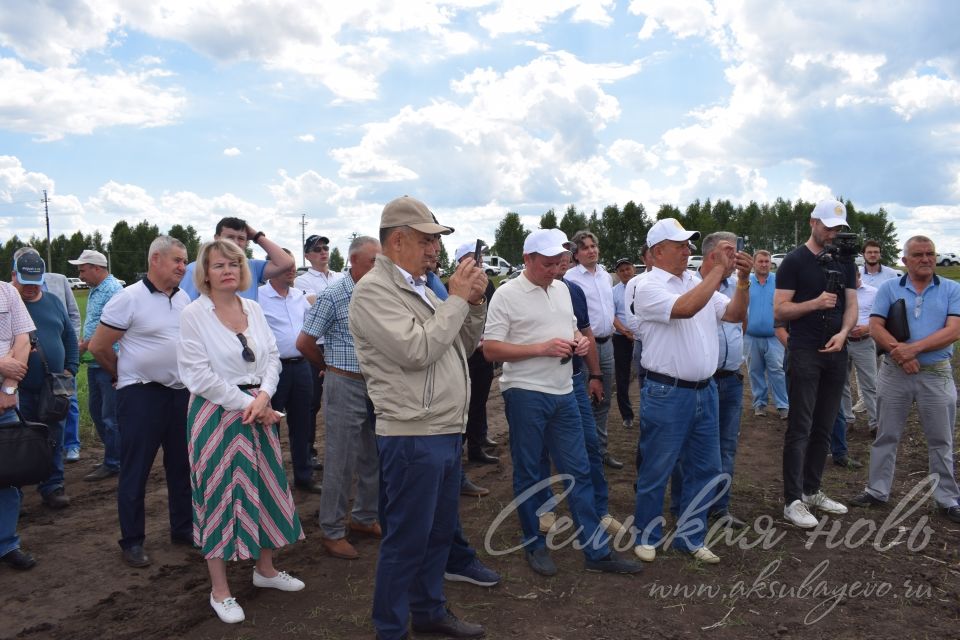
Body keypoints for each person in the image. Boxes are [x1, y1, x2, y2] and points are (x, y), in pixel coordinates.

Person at [349, 195, 487, 640]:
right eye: (427, 240)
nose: (435, 250)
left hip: (443, 429)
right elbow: (418, 351)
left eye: (436, 241)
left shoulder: (421, 287)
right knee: (406, 541)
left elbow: (460, 347)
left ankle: (428, 611)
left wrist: (474, 303)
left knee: (437, 534)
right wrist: (455, 300)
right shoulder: (373, 291)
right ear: (398, 240)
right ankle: (390, 629)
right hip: (412, 433)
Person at [484, 228, 641, 577]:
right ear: (527, 259)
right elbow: (491, 348)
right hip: (525, 392)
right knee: (528, 471)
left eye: (560, 263)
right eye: (548, 264)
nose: (556, 269)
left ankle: (596, 552)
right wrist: (540, 348)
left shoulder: (563, 290)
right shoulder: (507, 294)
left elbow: (572, 329)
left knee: (580, 469)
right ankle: (534, 544)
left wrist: (579, 344)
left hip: (564, 390)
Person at [178, 239, 305, 624]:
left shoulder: (252, 307)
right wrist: (249, 404)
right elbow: (197, 374)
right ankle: (220, 591)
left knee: (266, 486)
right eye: (219, 265)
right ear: (205, 272)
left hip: (258, 411)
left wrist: (264, 396)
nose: (228, 270)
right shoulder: (193, 314)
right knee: (218, 494)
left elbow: (271, 357)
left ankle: (264, 570)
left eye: (233, 263)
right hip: (216, 414)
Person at [632, 220, 750, 565]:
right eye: (680, 245)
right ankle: (647, 533)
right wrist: (719, 271)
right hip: (668, 392)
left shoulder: (694, 280)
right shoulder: (647, 285)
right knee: (658, 466)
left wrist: (741, 281)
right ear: (657, 252)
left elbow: (733, 313)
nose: (688, 250)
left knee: (706, 467)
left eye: (688, 244)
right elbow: (685, 309)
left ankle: (690, 536)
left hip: (705, 390)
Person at [89, 236, 193, 568]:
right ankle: (132, 540)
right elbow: (99, 346)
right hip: (141, 395)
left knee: (181, 466)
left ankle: (183, 529)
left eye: (184, 261)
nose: (182, 267)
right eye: (177, 260)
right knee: (136, 470)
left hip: (179, 395)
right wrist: (121, 375)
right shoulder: (127, 299)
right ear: (155, 260)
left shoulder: (183, 298)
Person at [850, 236, 960, 523]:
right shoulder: (888, 288)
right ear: (905, 260)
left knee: (941, 439)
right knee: (886, 434)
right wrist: (902, 355)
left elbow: (953, 330)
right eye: (919, 255)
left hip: (936, 374)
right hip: (894, 373)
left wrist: (914, 349)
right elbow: (875, 326)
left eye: (930, 254)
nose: (926, 259)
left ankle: (947, 498)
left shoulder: (952, 288)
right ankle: (877, 490)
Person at [296, 236, 382, 560]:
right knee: (340, 460)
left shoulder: (378, 293)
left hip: (375, 385)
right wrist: (327, 367)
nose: (380, 267)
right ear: (354, 261)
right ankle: (332, 531)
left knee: (373, 455)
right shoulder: (333, 296)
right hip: (344, 383)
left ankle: (363, 518)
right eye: (374, 261)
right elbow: (304, 342)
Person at [774, 199, 857, 529]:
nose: (833, 233)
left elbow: (851, 305)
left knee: (824, 425)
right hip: (805, 349)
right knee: (800, 427)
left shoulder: (845, 262)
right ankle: (792, 500)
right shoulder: (794, 261)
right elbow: (779, 311)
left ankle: (812, 490)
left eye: (838, 228)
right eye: (828, 226)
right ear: (813, 223)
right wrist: (814, 304)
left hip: (836, 351)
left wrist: (845, 333)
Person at [684, 231, 748, 528]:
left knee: (726, 446)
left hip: (732, 378)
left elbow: (739, 319)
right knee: (691, 447)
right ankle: (687, 507)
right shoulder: (688, 285)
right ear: (713, 255)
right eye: (730, 251)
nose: (736, 256)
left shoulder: (737, 286)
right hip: (702, 381)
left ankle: (720, 508)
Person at [11, 251, 78, 510]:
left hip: (54, 386)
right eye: (25, 281)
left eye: (35, 282)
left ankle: (53, 486)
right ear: (14, 275)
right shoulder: (8, 305)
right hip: (18, 389)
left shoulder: (52, 301)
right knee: (18, 441)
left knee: (54, 437)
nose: (30, 287)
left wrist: (70, 368)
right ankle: (15, 491)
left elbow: (69, 337)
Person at [259, 249, 321, 494]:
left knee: (302, 423)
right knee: (269, 425)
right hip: (274, 370)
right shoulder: (258, 296)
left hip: (302, 367)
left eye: (294, 264)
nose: (292, 269)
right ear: (271, 269)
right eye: (286, 266)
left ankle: (303, 475)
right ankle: (270, 479)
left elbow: (311, 328)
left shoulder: (299, 297)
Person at [565, 230, 623, 469]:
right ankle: (581, 454)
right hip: (582, 346)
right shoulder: (569, 279)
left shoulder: (606, 277)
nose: (591, 250)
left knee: (604, 400)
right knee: (582, 401)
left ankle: (600, 450)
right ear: (576, 255)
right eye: (585, 247)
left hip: (606, 343)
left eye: (593, 246)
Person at [68, 249, 124, 481]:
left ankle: (115, 461)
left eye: (83, 269)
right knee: (97, 411)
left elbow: (113, 329)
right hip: (94, 360)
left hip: (107, 360)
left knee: (109, 415)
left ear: (97, 268)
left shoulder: (113, 291)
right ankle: (114, 455)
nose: (80, 275)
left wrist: (83, 346)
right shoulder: (96, 290)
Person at [294, 234, 344, 471]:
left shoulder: (340, 276)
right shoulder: (302, 281)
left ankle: (340, 451)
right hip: (317, 343)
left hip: (339, 342)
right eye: (317, 249)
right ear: (307, 255)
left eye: (325, 248)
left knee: (340, 401)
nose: (323, 252)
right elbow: (309, 303)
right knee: (312, 403)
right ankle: (308, 452)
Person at [452, 242, 499, 465]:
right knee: (464, 404)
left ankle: (476, 444)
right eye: (474, 259)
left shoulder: (487, 286)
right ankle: (458, 451)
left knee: (479, 402)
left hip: (482, 354)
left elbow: (494, 316)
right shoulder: (451, 286)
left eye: (480, 260)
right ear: (461, 262)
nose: (479, 264)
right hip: (463, 356)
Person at [0, 279, 35, 570]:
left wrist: (8, 388)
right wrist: (1, 363)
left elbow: (22, 341)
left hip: (5, 404)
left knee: (7, 477)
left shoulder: (8, 292)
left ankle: (7, 544)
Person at [180, 216, 295, 301]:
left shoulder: (251, 266)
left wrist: (257, 236)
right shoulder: (195, 269)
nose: (235, 242)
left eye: (241, 238)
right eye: (230, 237)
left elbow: (287, 262)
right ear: (216, 238)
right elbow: (185, 307)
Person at [745, 250, 789, 419]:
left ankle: (783, 405)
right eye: (761, 261)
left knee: (777, 370)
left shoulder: (779, 282)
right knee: (754, 371)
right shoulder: (745, 282)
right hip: (750, 336)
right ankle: (759, 404)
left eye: (767, 261)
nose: (764, 264)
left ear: (771, 263)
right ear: (754, 263)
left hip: (775, 336)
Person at [839, 269, 879, 441]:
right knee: (842, 383)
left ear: (858, 276)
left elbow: (881, 317)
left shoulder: (873, 292)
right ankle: (847, 419)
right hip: (843, 342)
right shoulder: (839, 293)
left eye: (852, 277)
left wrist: (867, 328)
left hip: (864, 342)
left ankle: (875, 423)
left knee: (870, 384)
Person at [611, 258, 637, 429]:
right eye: (621, 270)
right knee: (622, 377)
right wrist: (625, 331)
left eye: (628, 269)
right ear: (617, 273)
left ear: (633, 269)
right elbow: (611, 315)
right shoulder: (613, 291)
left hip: (643, 336)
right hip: (621, 337)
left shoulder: (643, 286)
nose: (625, 272)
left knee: (647, 373)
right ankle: (626, 414)